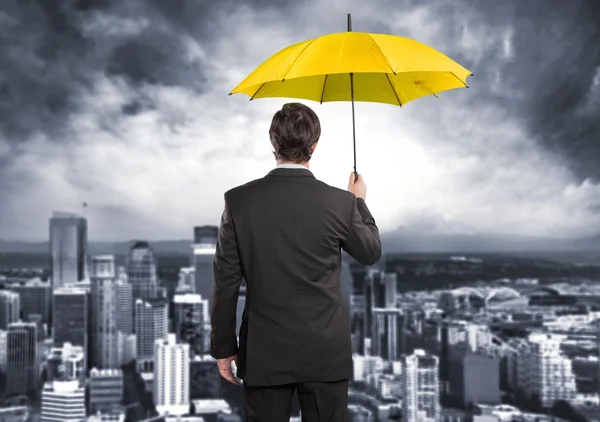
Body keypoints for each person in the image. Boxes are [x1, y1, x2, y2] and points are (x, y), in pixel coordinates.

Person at [210, 102, 381, 421]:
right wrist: (358, 202)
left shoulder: (238, 201)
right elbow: (370, 252)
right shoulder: (340, 203)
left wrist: (223, 347)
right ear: (313, 146)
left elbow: (226, 282)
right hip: (325, 352)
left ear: (273, 143)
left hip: (264, 351)